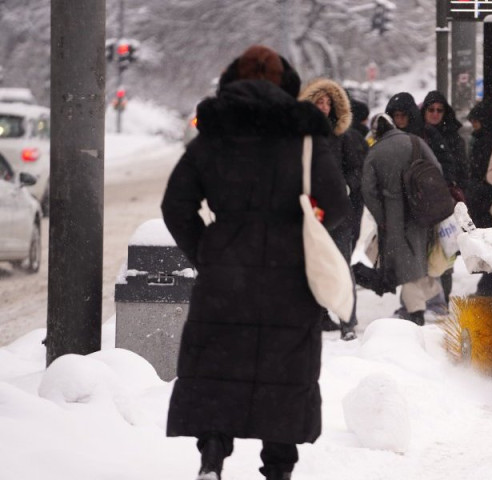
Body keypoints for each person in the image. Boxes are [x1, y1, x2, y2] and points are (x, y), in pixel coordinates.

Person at [161, 45, 350, 480]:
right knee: (284, 369)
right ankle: (278, 469)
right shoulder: (305, 137)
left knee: (217, 365)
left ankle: (212, 458)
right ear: (287, 85)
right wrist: (304, 224)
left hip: (225, 271)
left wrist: (206, 249)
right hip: (291, 273)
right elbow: (337, 204)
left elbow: (176, 205)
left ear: (230, 81)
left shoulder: (213, 136)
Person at [299, 78, 367, 341]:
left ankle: (348, 320)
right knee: (312, 264)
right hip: (310, 212)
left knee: (340, 263)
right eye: (319, 101)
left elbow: (356, 169)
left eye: (328, 102)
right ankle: (320, 316)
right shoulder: (302, 138)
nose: (324, 107)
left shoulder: (344, 137)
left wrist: (345, 187)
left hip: (338, 211)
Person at [362, 114, 444, 326]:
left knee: (407, 264)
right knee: (417, 258)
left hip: (393, 214)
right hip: (421, 209)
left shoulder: (375, 152)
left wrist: (382, 216)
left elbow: (368, 191)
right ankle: (424, 301)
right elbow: (436, 168)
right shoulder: (415, 141)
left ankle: (416, 311)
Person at [420, 91, 469, 311]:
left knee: (446, 249)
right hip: (420, 200)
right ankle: (423, 299)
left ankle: (442, 298)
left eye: (439, 110)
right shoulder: (417, 134)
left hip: (445, 201)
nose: (435, 114)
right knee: (422, 250)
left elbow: (462, 169)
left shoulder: (453, 137)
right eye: (431, 109)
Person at [466, 99, 492, 296]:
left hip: (485, 199)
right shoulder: (486, 139)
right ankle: (489, 282)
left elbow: (482, 171)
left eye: (476, 121)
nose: (473, 125)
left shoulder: (485, 141)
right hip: (484, 198)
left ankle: (489, 283)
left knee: (488, 242)